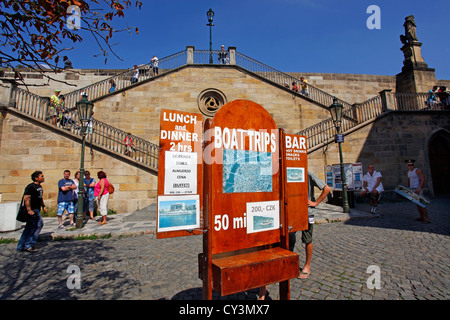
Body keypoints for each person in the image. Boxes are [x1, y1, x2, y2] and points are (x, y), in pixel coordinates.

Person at [289, 171, 331, 279]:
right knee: (290, 238)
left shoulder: (308, 174)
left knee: (307, 239)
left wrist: (315, 203)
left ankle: (307, 266)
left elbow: (326, 189)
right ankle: (289, 265)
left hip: (307, 212)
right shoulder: (288, 172)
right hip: (292, 212)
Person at [17, 171, 46, 253]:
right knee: (38, 225)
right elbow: (26, 198)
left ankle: (21, 246)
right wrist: (29, 210)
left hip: (37, 209)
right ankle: (29, 244)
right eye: (41, 176)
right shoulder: (30, 187)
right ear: (36, 178)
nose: (43, 177)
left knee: (29, 228)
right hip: (33, 210)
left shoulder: (39, 186)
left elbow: (40, 197)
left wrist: (43, 206)